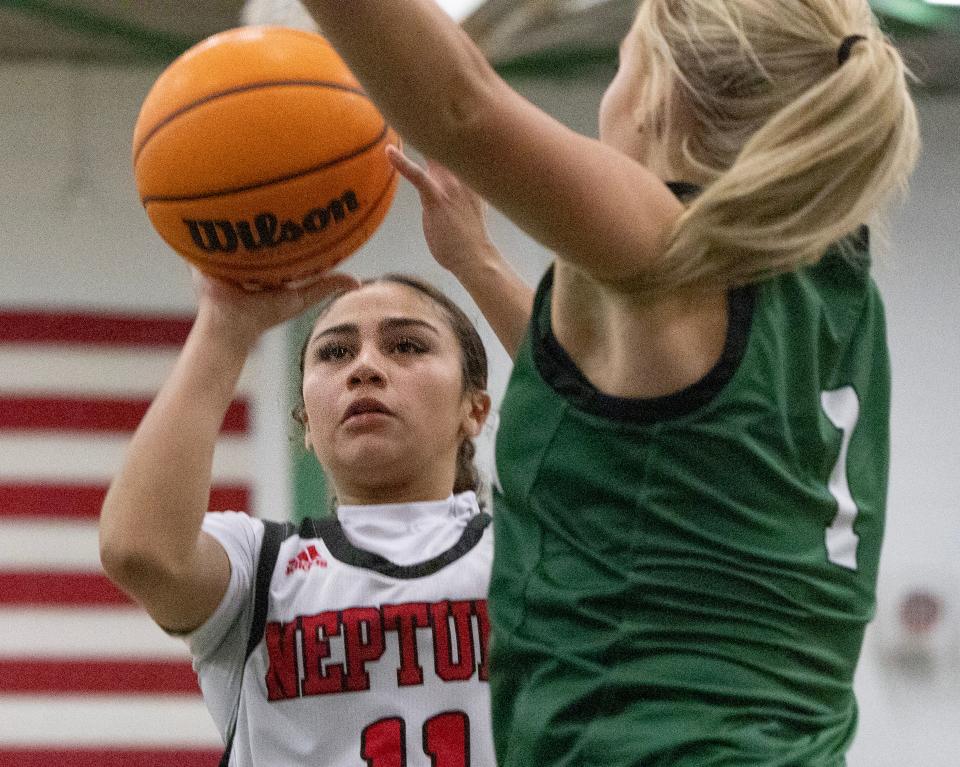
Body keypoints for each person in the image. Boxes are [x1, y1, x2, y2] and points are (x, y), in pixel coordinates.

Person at [297, 0, 920, 763]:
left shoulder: (672, 250)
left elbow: (458, 105)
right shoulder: (835, 285)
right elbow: (624, 426)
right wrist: (480, 264)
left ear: (656, 94)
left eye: (620, 62)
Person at [99, 271, 497, 766]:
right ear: (307, 422)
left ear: (474, 409)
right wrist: (224, 327)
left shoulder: (526, 555)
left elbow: (616, 443)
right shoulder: (260, 564)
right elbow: (140, 552)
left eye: (407, 345)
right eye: (334, 352)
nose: (365, 367)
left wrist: (477, 259)